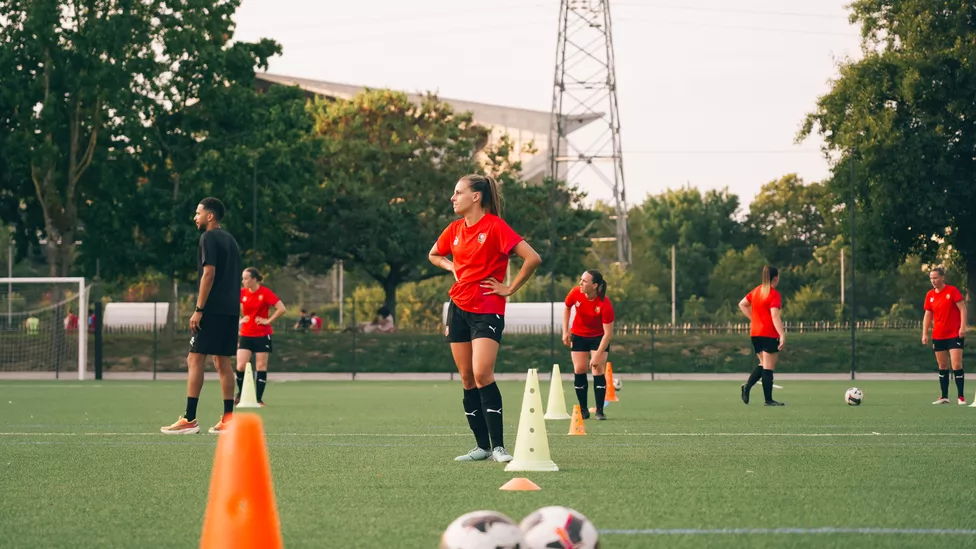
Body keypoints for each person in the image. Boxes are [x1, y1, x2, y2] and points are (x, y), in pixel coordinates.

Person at [428, 173, 542, 463]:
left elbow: (533, 258)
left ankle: (499, 447)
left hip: (487, 308)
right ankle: (481, 447)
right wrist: (451, 266)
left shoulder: (495, 226)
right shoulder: (454, 229)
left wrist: (510, 288)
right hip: (457, 308)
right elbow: (434, 254)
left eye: (458, 192)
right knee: (467, 378)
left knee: (482, 374)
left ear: (476, 196)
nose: (453, 198)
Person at [161, 197, 241, 435]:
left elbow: (209, 274)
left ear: (210, 216)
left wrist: (198, 310)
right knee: (222, 362)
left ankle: (189, 418)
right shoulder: (231, 240)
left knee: (194, 359)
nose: (195, 217)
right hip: (230, 310)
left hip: (212, 310)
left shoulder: (208, 237)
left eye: (198, 213)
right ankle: (228, 420)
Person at [562, 270, 615, 420]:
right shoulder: (575, 293)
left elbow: (608, 334)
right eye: (581, 280)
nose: (580, 283)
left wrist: (597, 356)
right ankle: (583, 410)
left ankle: (599, 411)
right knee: (579, 369)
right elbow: (567, 307)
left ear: (595, 285)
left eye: (584, 281)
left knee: (598, 369)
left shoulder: (605, 304)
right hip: (579, 335)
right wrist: (565, 331)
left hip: (598, 337)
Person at [236, 267, 286, 407]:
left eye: (246, 278)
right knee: (240, 365)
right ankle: (240, 394)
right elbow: (229, 306)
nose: (243, 281)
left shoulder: (265, 293)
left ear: (254, 279)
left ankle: (258, 399)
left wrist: (268, 321)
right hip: (245, 333)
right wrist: (239, 320)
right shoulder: (242, 293)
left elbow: (281, 308)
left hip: (262, 335)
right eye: (242, 278)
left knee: (260, 366)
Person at [738, 265, 786, 406]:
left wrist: (754, 319)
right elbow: (775, 316)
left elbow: (742, 304)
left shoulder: (757, 291)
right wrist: (782, 334)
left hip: (755, 333)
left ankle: (747, 386)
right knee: (768, 367)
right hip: (768, 333)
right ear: (776, 278)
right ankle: (768, 400)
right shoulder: (773, 294)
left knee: (764, 364)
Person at [921, 266, 967, 404]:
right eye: (931, 278)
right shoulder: (930, 295)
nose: (933, 280)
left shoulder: (952, 291)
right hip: (938, 335)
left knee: (956, 364)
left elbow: (963, 309)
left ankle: (961, 397)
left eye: (935, 278)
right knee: (942, 366)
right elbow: (928, 315)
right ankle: (944, 396)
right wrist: (925, 333)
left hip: (954, 334)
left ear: (942, 278)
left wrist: (962, 327)